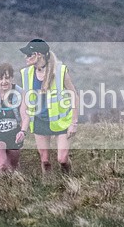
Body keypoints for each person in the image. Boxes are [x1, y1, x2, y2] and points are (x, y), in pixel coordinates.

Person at [19, 39, 79, 174]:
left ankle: (68, 176)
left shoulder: (60, 71)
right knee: (45, 161)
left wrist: (73, 123)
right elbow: (25, 100)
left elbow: (74, 96)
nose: (26, 58)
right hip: (39, 121)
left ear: (38, 55)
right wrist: (23, 127)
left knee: (62, 159)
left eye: (28, 55)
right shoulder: (26, 74)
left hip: (61, 121)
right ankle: (48, 183)